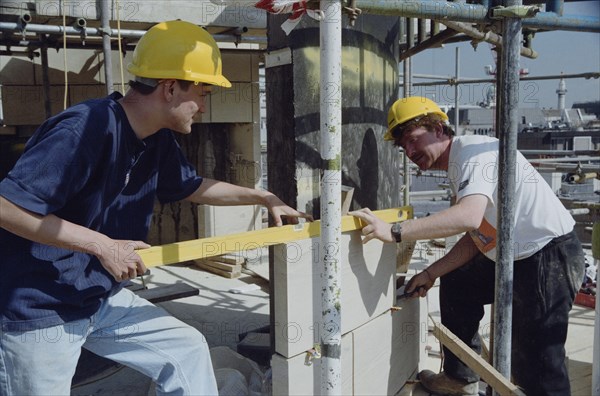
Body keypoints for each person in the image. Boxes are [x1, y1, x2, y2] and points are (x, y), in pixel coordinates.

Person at [0, 20, 312, 395]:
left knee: (187, 349)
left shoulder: (156, 138)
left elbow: (193, 187)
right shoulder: (85, 129)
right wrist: (103, 246)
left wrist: (263, 197)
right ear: (169, 88)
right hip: (39, 307)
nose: (203, 104)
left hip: (96, 296)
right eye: (203, 91)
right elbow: (7, 207)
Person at [351, 96, 585, 395]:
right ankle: (461, 377)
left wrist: (394, 231)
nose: (409, 152)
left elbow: (468, 217)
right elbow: (479, 234)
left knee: (538, 365)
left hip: (546, 257)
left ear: (438, 128)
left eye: (412, 139)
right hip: (517, 255)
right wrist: (431, 272)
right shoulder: (461, 164)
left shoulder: (474, 154)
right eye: (403, 147)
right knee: (458, 283)